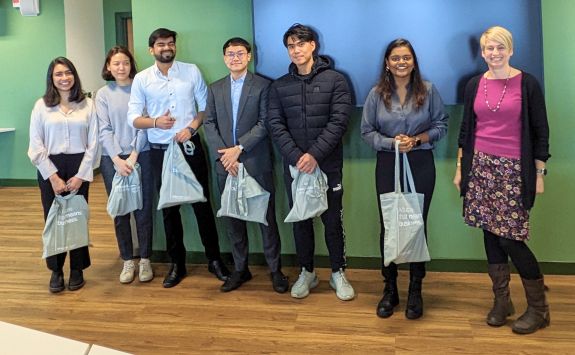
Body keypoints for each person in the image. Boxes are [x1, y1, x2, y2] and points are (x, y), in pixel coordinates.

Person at [453, 26, 550, 334]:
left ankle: (539, 309)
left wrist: (539, 173)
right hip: (480, 167)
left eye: (499, 48)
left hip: (513, 171)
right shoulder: (473, 85)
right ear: (482, 53)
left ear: (511, 49)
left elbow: (541, 133)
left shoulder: (527, 84)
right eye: (488, 49)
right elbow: (466, 130)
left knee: (511, 238)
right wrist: (460, 169)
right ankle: (502, 301)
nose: (494, 53)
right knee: (490, 235)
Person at [127, 28, 230, 288]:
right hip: (160, 152)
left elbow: (206, 108)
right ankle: (177, 264)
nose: (167, 48)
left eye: (170, 43)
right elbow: (133, 118)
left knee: (202, 204)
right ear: (152, 49)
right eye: (161, 44)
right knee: (170, 210)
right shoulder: (142, 79)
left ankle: (214, 260)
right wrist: (154, 122)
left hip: (190, 147)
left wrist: (191, 128)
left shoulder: (191, 71)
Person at [361, 39, 448, 319]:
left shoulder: (429, 90)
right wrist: (391, 143)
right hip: (388, 164)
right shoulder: (376, 94)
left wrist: (417, 139)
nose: (401, 62)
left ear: (413, 61)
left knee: (416, 225)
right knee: (389, 225)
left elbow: (441, 125)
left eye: (406, 57)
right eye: (395, 58)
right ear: (387, 62)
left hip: (421, 163)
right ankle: (390, 289)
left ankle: (415, 289)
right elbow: (366, 132)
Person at [268, 24, 354, 301]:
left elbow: (339, 121)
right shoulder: (280, 86)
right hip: (294, 167)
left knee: (332, 221)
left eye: (301, 44)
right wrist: (296, 157)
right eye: (291, 46)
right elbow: (275, 123)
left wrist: (314, 155)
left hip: (327, 165)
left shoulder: (336, 80)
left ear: (313, 45)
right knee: (301, 221)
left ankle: (338, 272)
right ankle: (307, 271)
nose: (296, 50)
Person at [204, 37, 289, 293]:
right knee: (233, 218)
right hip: (225, 165)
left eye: (240, 53)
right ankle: (241, 269)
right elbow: (208, 123)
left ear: (249, 56)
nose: (235, 58)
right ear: (224, 57)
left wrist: (238, 149)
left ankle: (275, 270)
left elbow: (265, 123)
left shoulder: (264, 86)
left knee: (265, 218)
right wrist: (224, 156)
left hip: (255, 161)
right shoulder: (215, 88)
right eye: (230, 54)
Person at [28, 57, 98, 293]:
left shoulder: (88, 104)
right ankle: (56, 270)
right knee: (54, 219)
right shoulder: (41, 106)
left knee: (77, 218)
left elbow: (94, 143)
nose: (64, 78)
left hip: (80, 165)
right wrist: (53, 177)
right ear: (52, 78)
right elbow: (36, 145)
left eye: (68, 73)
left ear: (74, 76)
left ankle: (77, 269)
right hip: (51, 167)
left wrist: (81, 175)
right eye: (58, 74)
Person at [96, 46, 154, 284]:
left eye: (125, 63)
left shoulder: (141, 88)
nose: (121, 67)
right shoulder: (103, 94)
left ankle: (146, 259)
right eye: (116, 63)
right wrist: (117, 159)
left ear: (131, 65)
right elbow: (104, 129)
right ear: (108, 66)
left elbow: (145, 123)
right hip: (112, 160)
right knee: (120, 211)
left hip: (142, 155)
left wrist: (134, 154)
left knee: (143, 209)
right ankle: (128, 260)